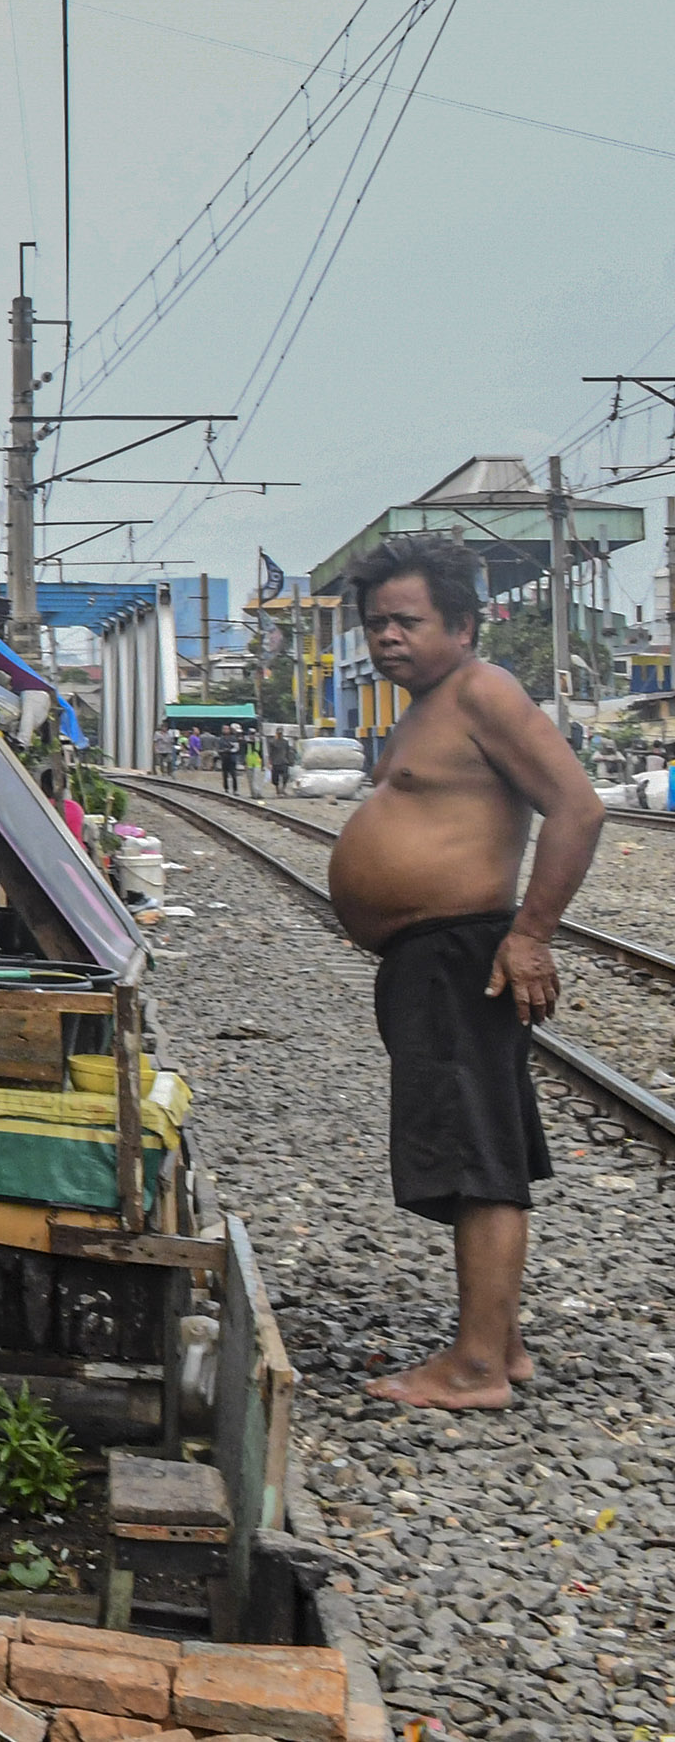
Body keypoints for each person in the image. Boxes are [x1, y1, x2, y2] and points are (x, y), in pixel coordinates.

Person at [329, 535, 604, 1411]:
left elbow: (578, 806)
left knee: (477, 1157)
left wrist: (532, 933)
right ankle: (502, 1344)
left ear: (463, 624)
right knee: (467, 1147)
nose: (387, 636)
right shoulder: (428, 705)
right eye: (376, 622)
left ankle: (476, 1367)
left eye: (407, 620)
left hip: (462, 955)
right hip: (433, 961)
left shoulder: (484, 690)